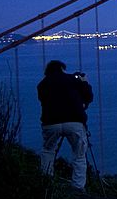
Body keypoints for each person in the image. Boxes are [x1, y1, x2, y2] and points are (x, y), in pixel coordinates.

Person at [37, 60, 94, 191]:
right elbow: (88, 97)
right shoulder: (72, 80)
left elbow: (43, 100)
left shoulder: (42, 84)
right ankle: (78, 187)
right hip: (74, 122)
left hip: (51, 123)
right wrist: (84, 82)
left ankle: (46, 182)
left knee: (48, 150)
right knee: (79, 155)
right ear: (63, 68)